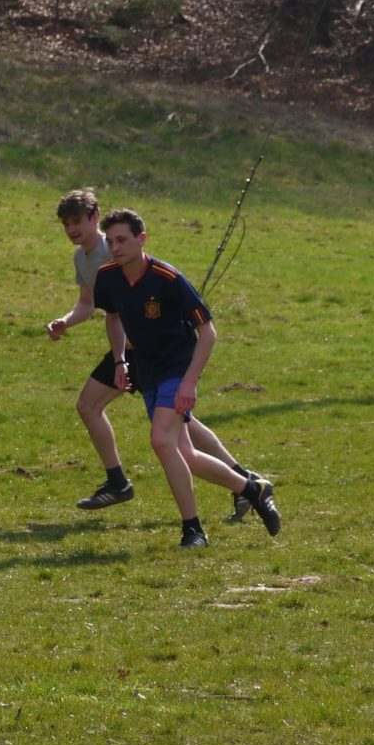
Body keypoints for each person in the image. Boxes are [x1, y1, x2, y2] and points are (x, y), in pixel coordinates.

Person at [48, 188, 260, 521]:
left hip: (146, 352)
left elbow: (145, 292)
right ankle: (244, 482)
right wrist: (65, 321)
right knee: (179, 426)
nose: (72, 229)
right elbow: (90, 305)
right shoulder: (83, 258)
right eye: (66, 224)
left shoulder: (112, 249)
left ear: (94, 218)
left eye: (77, 221)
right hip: (127, 350)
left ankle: (122, 483)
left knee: (106, 411)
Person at [91, 208, 280, 549]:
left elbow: (208, 332)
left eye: (122, 240)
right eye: (110, 241)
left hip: (177, 368)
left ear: (141, 239)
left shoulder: (168, 278)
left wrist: (189, 382)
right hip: (147, 371)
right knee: (185, 454)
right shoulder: (107, 277)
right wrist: (120, 361)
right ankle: (252, 488)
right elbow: (113, 317)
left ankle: (193, 530)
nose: (115, 247)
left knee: (161, 442)